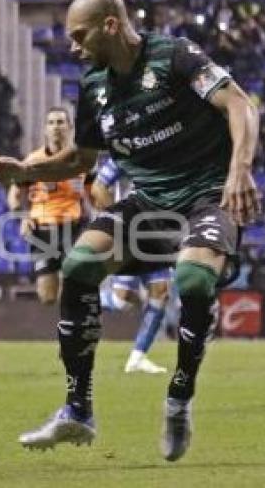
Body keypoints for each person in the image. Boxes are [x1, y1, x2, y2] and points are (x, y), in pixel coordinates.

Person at [0, 0, 259, 461]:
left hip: (208, 195)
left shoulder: (175, 56)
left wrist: (240, 170)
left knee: (191, 279)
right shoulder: (93, 86)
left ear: (110, 25)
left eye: (79, 35)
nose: (72, 46)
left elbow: (240, 104)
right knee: (79, 265)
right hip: (149, 203)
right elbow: (80, 161)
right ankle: (77, 410)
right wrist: (24, 172)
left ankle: (179, 397)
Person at [91, 155, 171, 374]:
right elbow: (98, 188)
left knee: (161, 292)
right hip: (126, 235)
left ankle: (137, 357)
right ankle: (80, 300)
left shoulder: (171, 156)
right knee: (121, 300)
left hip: (154, 235)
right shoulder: (127, 154)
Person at [8, 107, 86, 306]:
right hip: (43, 232)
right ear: (45, 129)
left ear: (69, 127)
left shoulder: (81, 160)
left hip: (75, 227)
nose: (56, 127)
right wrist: (24, 217)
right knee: (47, 296)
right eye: (51, 123)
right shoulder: (33, 161)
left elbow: (95, 191)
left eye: (60, 122)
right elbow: (14, 195)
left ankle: (72, 330)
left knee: (74, 287)